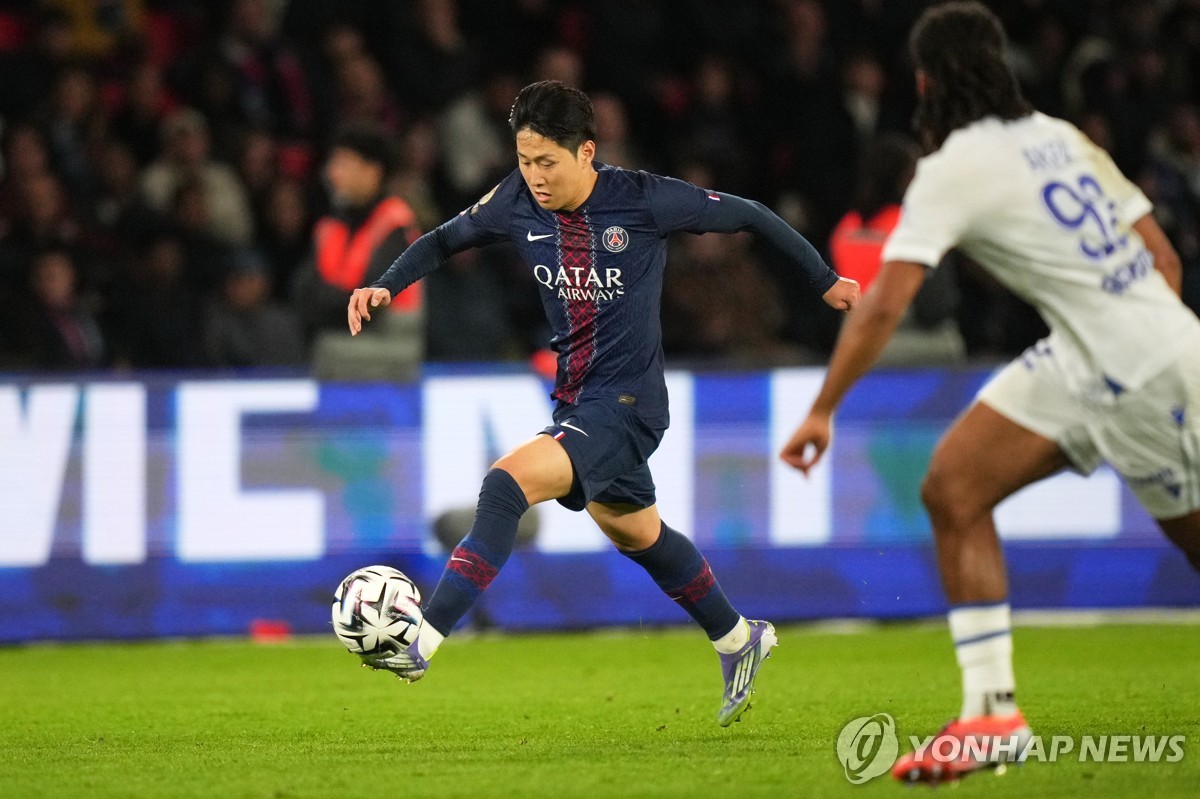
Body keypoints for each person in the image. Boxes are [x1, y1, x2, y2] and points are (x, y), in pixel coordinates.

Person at [347, 80, 860, 726]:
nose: (533, 176)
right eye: (524, 160)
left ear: (587, 151)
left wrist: (825, 280)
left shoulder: (643, 201)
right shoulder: (515, 200)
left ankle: (424, 638)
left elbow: (751, 214)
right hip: (577, 403)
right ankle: (738, 637)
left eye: (547, 162)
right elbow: (444, 239)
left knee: (505, 485)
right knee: (639, 534)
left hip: (628, 403)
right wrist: (384, 286)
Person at [780, 2, 1200, 784]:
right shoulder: (1062, 135)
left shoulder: (950, 169)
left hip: (1143, 374)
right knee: (953, 485)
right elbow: (1165, 261)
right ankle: (992, 715)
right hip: (1108, 351)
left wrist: (822, 407)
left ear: (927, 82)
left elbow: (882, 301)